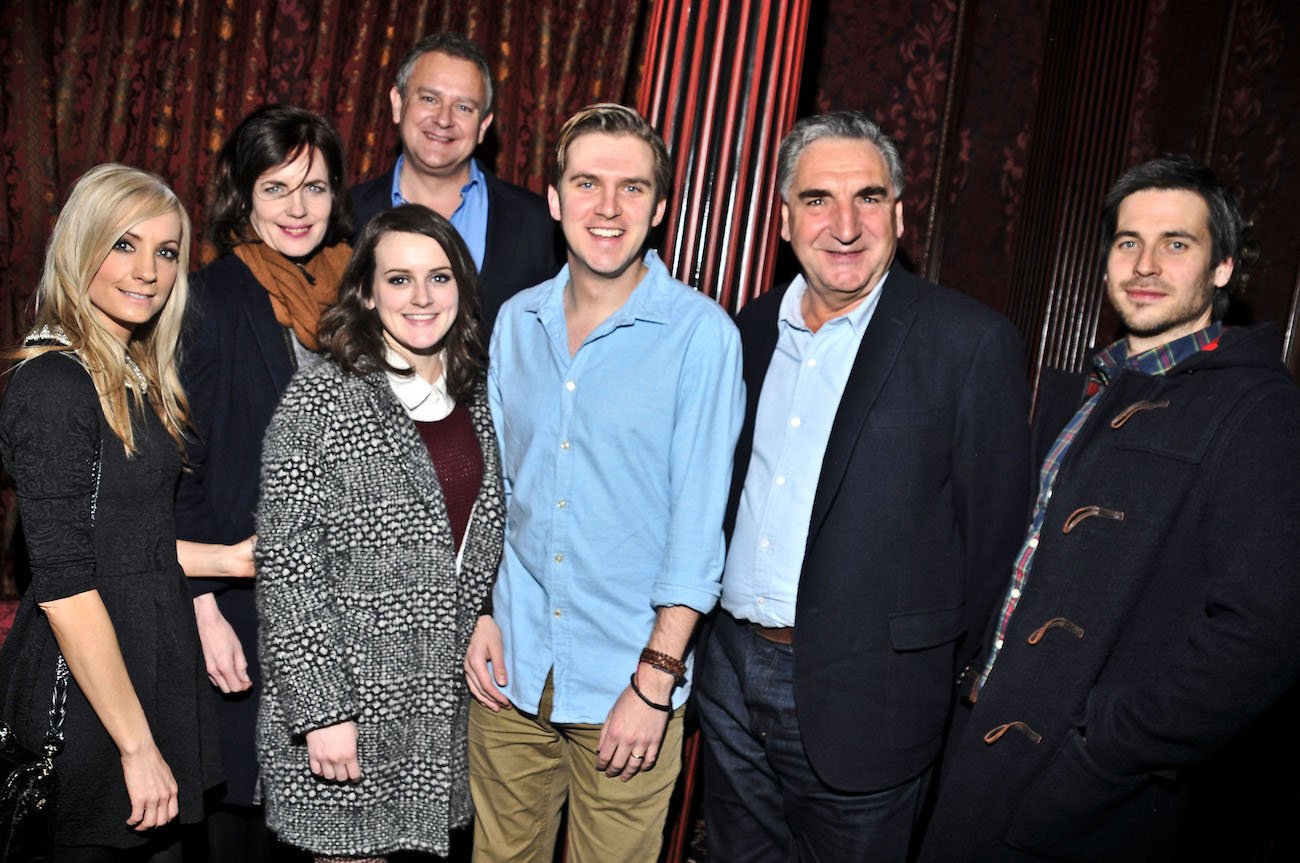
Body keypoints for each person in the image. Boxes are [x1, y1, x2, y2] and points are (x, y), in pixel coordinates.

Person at [918, 155, 1300, 862]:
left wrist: (1101, 746)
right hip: (980, 755)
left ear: (1222, 268)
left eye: (1176, 243)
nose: (1145, 263)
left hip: (1088, 799)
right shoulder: (1094, 390)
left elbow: (1264, 637)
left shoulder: (1259, 410)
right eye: (1128, 242)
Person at [695, 111, 1032, 862]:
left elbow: (996, 546)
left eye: (869, 198)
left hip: (870, 703)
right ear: (784, 219)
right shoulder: (744, 332)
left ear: (900, 215)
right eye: (818, 200)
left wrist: (939, 686)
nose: (844, 225)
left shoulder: (968, 342)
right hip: (728, 672)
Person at [463, 103, 744, 863]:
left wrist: (655, 679)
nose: (608, 207)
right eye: (587, 183)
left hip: (629, 679)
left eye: (632, 187)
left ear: (658, 208)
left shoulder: (700, 335)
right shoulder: (516, 323)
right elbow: (496, 488)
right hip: (512, 671)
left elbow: (698, 524)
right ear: (554, 201)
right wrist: (482, 610)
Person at [254, 204, 505, 861]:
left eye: (439, 277)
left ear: (462, 289)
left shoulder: (475, 396)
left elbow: (470, 533)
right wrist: (321, 711)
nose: (421, 297)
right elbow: (288, 570)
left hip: (437, 715)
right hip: (347, 710)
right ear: (365, 290)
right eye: (398, 279)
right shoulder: (321, 399)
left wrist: (481, 609)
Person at [0, 163, 221, 859]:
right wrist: (136, 743)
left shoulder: (129, 375)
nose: (148, 270)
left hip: (143, 671)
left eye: (165, 251)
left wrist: (240, 557)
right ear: (79, 246)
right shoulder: (55, 385)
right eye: (124, 244)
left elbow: (134, 540)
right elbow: (66, 587)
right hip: (94, 701)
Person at [175, 103, 353, 861]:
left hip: (338, 606)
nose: (298, 208)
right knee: (240, 819)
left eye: (313, 187)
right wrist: (203, 606)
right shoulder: (211, 299)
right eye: (276, 188)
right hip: (241, 609)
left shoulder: (360, 291)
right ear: (243, 196)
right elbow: (179, 462)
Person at [349, 31, 559, 332]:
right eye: (429, 98)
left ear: (483, 125)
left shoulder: (540, 225)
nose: (443, 119)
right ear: (398, 103)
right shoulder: (344, 217)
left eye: (463, 107)